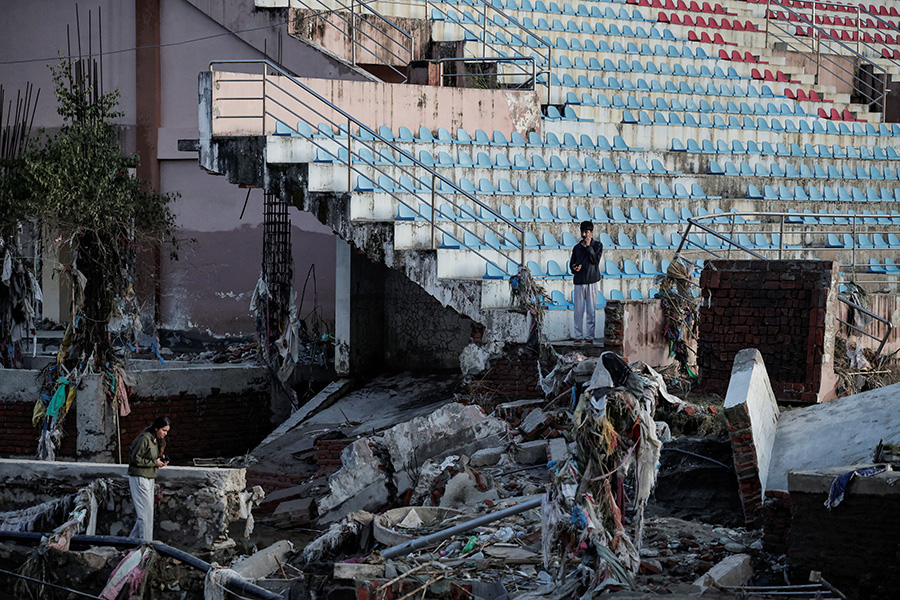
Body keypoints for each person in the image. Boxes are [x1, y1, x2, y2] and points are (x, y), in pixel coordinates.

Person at [128, 416, 170, 541]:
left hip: (150, 476)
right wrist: (154, 463)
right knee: (144, 515)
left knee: (147, 513)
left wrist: (160, 461)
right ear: (156, 428)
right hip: (140, 477)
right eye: (163, 430)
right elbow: (135, 459)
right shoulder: (145, 438)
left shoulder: (155, 440)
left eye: (167, 431)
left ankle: (132, 541)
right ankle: (145, 545)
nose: (165, 433)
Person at [569, 220, 603, 345]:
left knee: (591, 311)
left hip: (592, 281)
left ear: (591, 232)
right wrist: (574, 267)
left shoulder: (597, 245)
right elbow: (571, 263)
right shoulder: (577, 247)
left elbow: (595, 260)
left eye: (586, 232)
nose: (584, 235)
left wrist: (589, 247)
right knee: (578, 311)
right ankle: (577, 336)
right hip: (579, 281)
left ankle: (590, 336)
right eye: (583, 232)